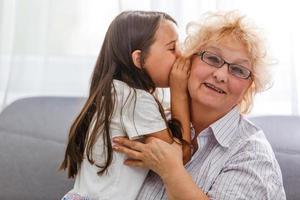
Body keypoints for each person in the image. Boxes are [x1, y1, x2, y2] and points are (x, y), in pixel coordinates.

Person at [113, 11, 286, 200]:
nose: (220, 75)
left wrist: (171, 170)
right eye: (212, 58)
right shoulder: (153, 121)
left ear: (249, 87)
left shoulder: (252, 155)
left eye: (238, 70)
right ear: (188, 61)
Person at [59, 11, 191, 200]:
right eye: (172, 48)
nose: (181, 55)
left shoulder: (115, 92)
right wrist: (179, 93)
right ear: (139, 59)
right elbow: (179, 158)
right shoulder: (135, 99)